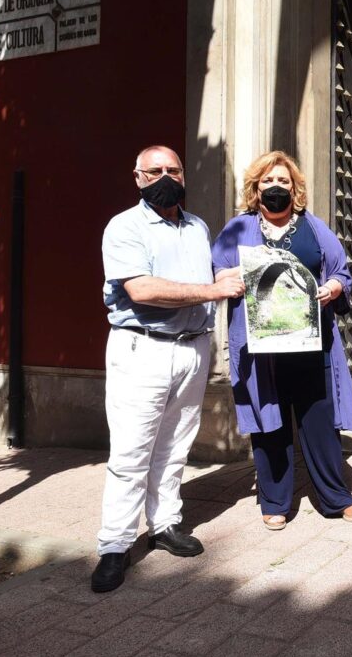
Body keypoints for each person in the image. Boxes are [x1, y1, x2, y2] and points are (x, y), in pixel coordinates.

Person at [94, 145, 245, 593]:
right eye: (154, 170)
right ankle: (115, 545)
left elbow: (217, 280)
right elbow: (141, 290)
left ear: (183, 176)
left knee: (176, 444)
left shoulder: (198, 227)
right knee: (131, 453)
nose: (164, 176)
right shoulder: (124, 226)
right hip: (143, 349)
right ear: (137, 178)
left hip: (193, 349)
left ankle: (164, 525)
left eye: (172, 170)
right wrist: (212, 291)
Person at [211, 152, 352, 529]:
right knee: (269, 424)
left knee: (319, 421)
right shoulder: (237, 229)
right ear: (255, 188)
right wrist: (232, 276)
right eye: (268, 181)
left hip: (311, 347)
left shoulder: (314, 228)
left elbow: (342, 274)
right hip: (260, 351)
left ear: (294, 188)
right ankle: (275, 500)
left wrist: (331, 288)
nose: (275, 187)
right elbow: (216, 275)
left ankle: (335, 496)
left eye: (283, 181)